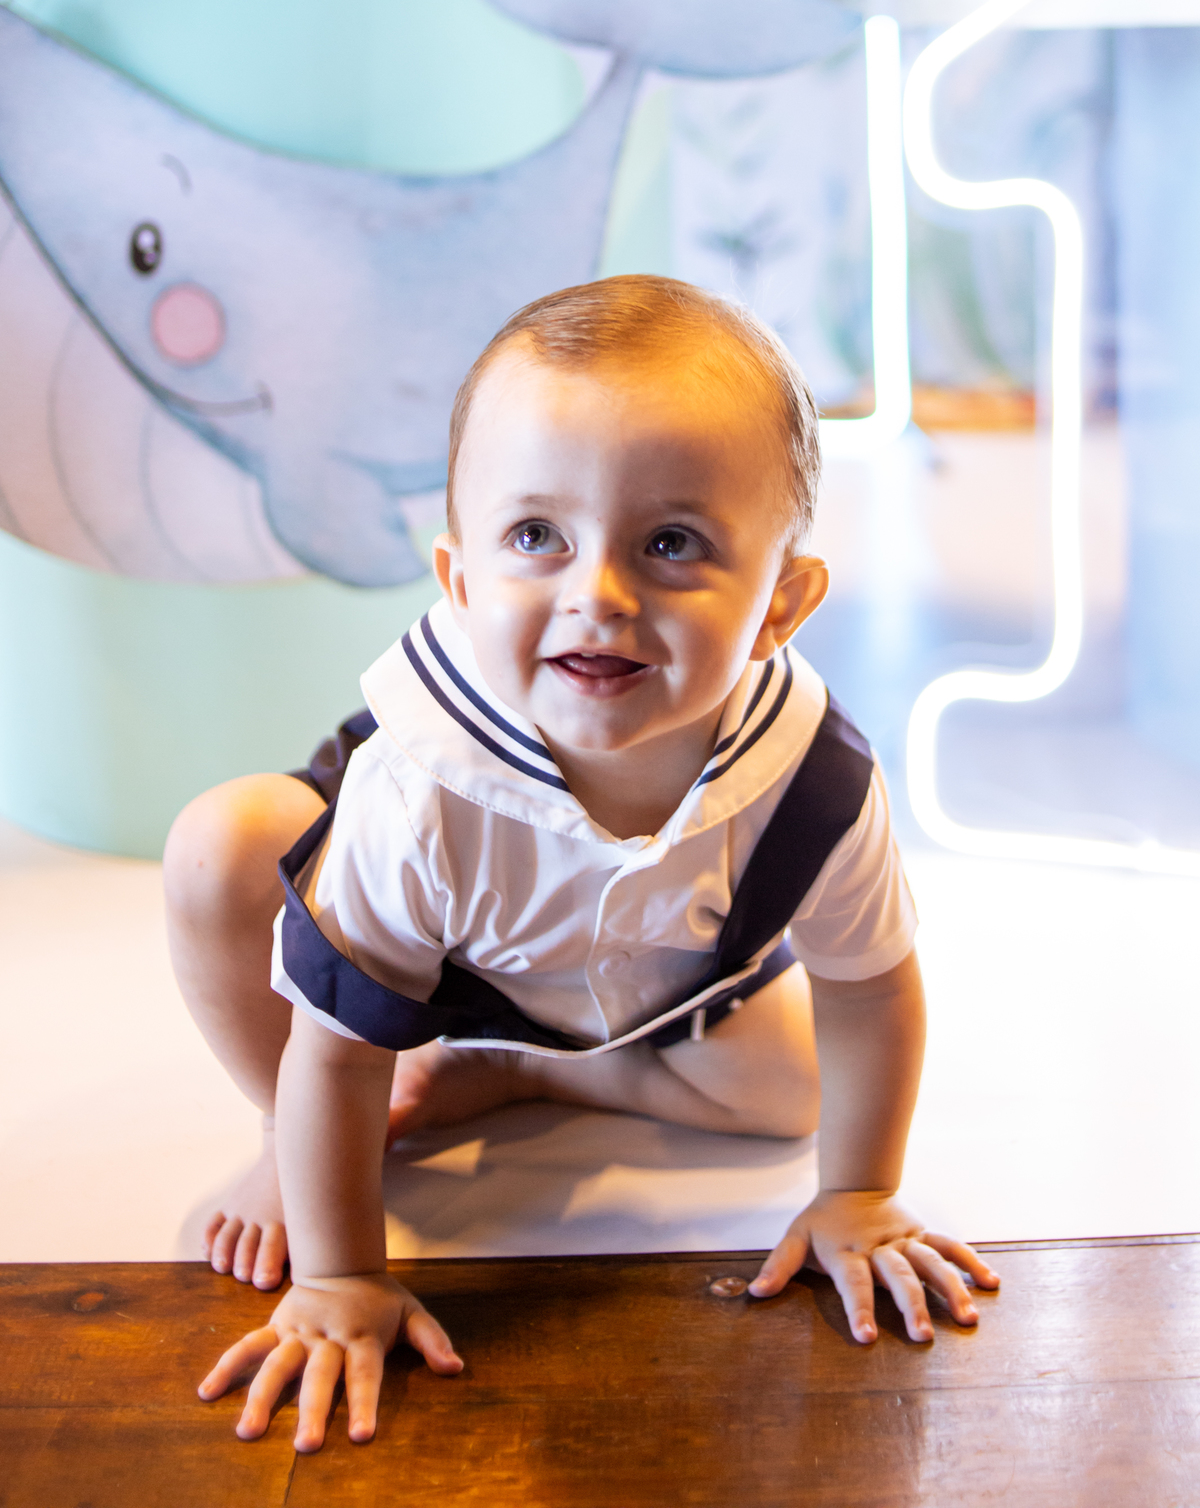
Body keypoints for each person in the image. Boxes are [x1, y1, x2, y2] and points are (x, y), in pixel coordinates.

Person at [166, 275, 998, 1453]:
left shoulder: (813, 777)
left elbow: (870, 988)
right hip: (424, 971)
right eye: (536, 537)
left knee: (797, 1088)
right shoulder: (422, 787)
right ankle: (289, 1135)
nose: (597, 596)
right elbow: (341, 1048)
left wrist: (857, 1192)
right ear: (460, 583)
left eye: (671, 542)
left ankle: (519, 1071)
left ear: (781, 604)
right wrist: (342, 1274)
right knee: (222, 848)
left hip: (640, 978)